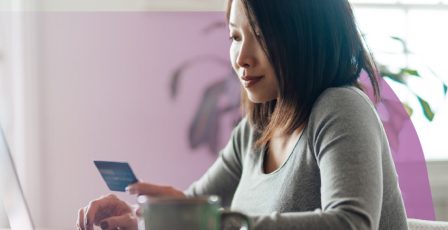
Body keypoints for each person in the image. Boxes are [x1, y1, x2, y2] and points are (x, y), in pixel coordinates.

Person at [76, 0, 409, 229]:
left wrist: (214, 222)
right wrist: (139, 219)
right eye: (235, 36)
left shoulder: (341, 107)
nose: (241, 58)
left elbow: (350, 223)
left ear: (307, 36)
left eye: (261, 36)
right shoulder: (255, 129)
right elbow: (197, 210)